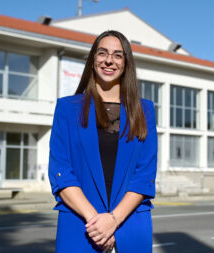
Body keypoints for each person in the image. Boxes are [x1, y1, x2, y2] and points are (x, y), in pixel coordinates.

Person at [48, 30, 158, 253]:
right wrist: (97, 222)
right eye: (102, 53)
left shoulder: (144, 111)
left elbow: (144, 175)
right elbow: (61, 171)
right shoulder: (67, 109)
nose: (109, 60)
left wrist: (114, 220)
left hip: (130, 225)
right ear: (93, 60)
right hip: (81, 226)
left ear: (126, 63)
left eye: (118, 55)